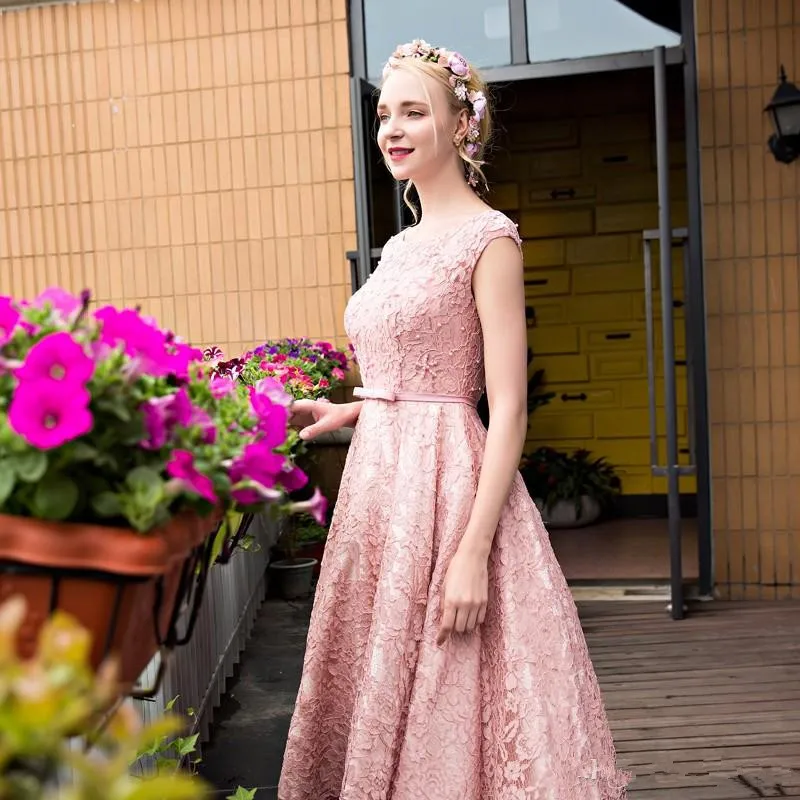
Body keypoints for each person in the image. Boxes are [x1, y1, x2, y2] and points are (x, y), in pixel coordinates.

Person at [278, 39, 630, 800]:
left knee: (453, 675)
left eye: (413, 112)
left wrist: (472, 553)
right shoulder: (399, 247)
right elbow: (408, 369)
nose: (392, 131)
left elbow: (506, 408)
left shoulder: (489, 240)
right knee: (376, 673)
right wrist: (353, 405)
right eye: (383, 114)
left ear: (458, 127)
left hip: (449, 490)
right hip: (378, 489)